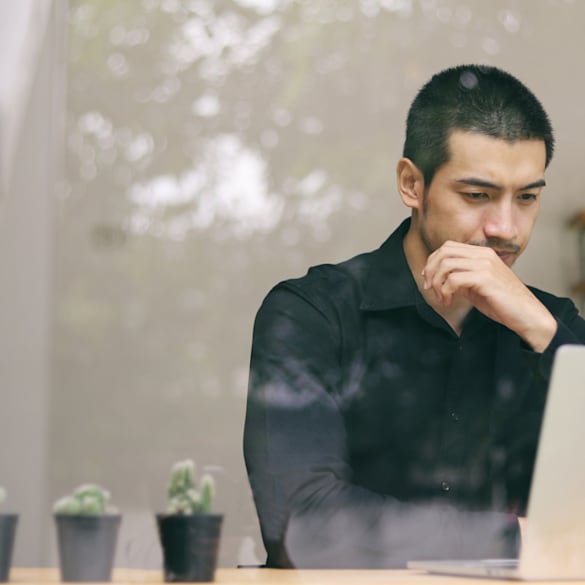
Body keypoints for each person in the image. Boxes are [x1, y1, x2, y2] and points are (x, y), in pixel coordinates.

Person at [243, 64, 585, 569]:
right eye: (477, 195)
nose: (507, 228)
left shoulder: (551, 325)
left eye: (528, 197)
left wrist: (546, 335)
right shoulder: (311, 314)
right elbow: (304, 522)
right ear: (411, 184)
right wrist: (515, 538)